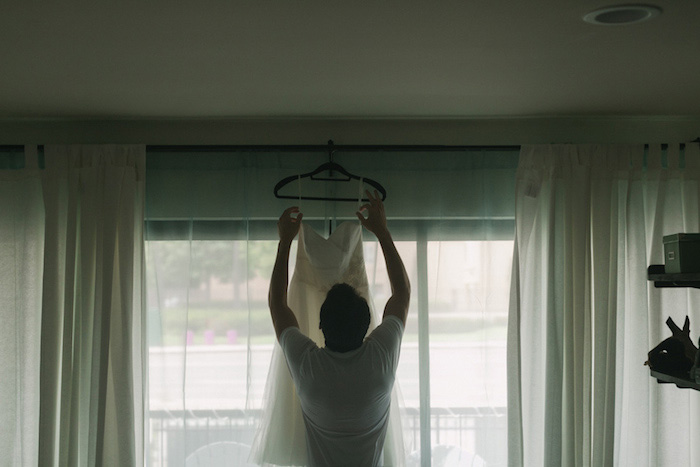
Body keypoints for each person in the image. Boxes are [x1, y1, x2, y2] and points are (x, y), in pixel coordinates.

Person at [268, 190, 411, 467]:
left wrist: (285, 241)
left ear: (320, 325)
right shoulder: (380, 359)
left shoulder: (309, 369)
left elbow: (278, 305)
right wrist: (381, 231)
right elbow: (402, 293)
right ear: (368, 326)